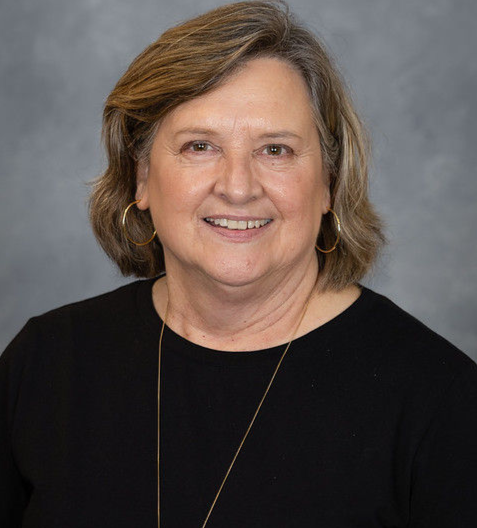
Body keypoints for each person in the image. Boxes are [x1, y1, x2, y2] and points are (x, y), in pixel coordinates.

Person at [1, 1, 476, 526]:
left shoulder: (441, 400)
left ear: (328, 183)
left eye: (275, 150)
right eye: (199, 146)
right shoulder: (45, 365)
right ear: (141, 177)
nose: (238, 187)